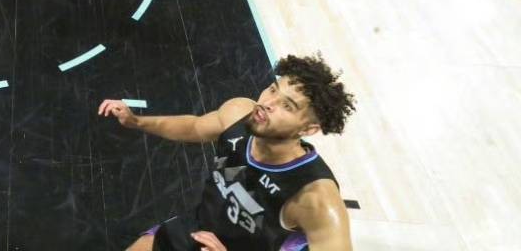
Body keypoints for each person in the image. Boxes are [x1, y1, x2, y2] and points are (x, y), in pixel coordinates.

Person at [99, 53, 357, 251]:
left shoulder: (315, 198)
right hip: (197, 228)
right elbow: (194, 126)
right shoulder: (238, 113)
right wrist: (137, 121)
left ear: (309, 129)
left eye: (287, 106)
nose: (267, 103)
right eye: (272, 89)